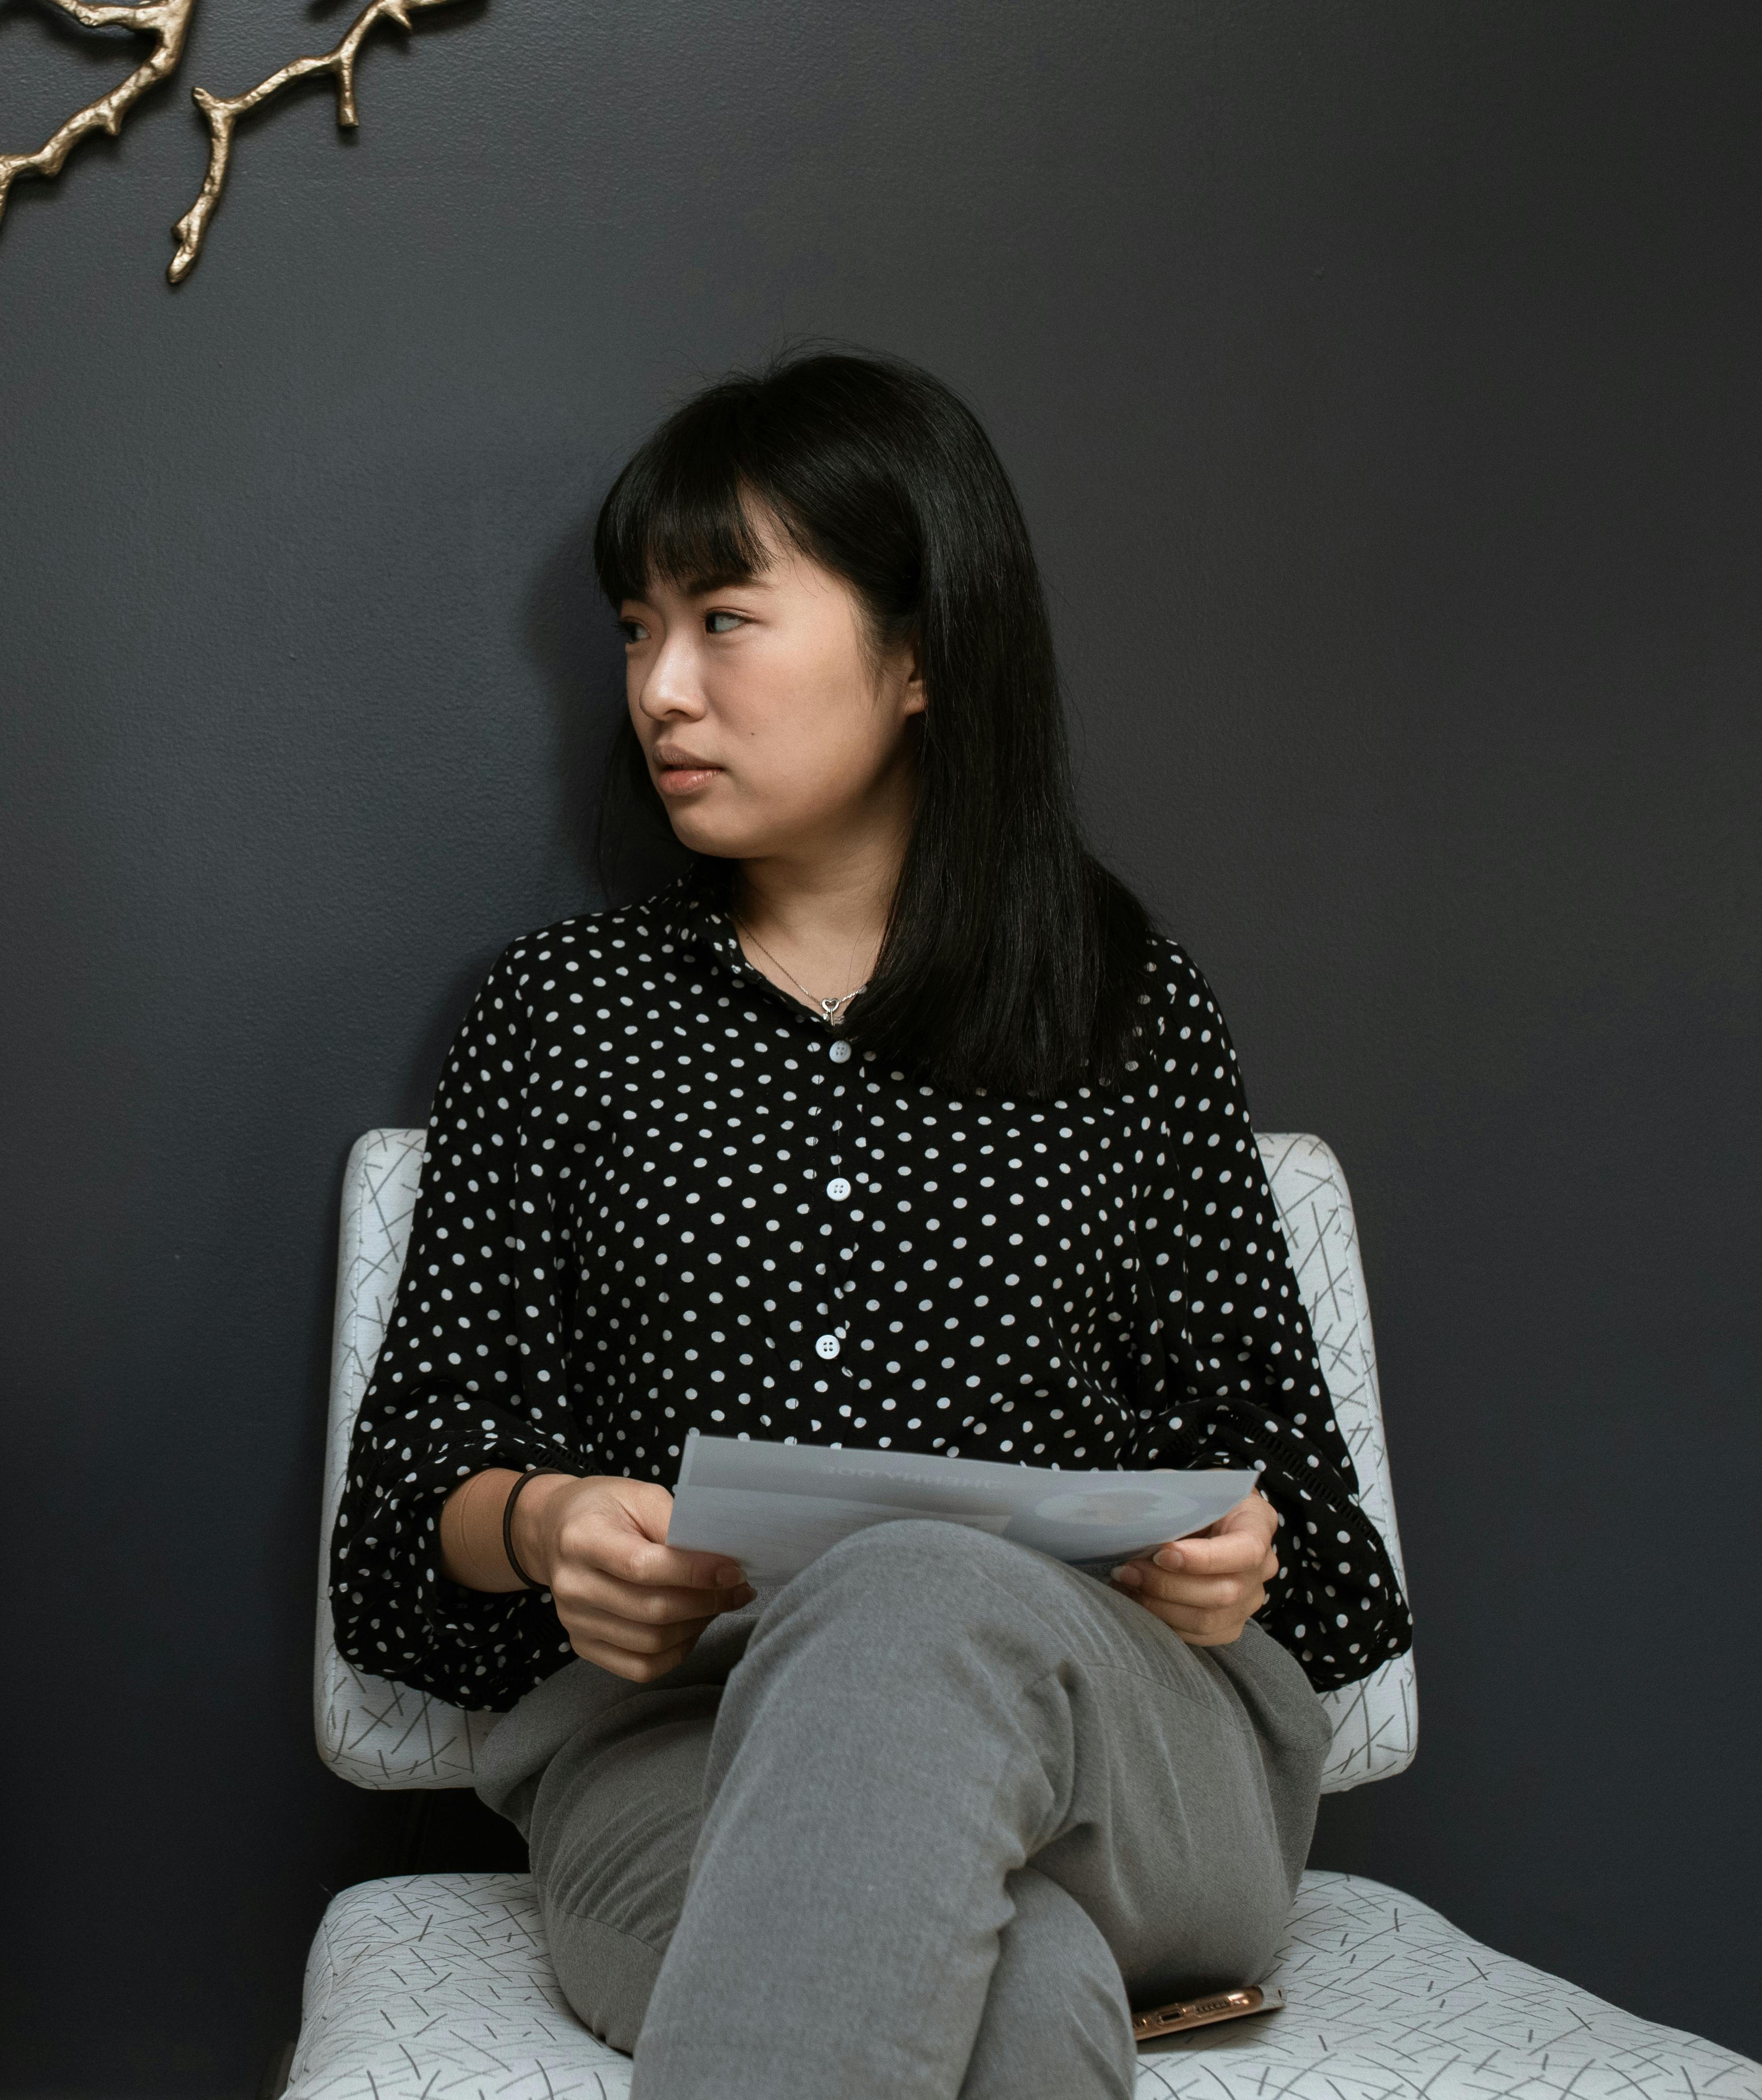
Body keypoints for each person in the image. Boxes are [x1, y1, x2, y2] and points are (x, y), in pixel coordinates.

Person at [331, 351, 1412, 2099]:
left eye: (723, 621)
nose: (658, 690)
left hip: (1131, 1753)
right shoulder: (559, 1015)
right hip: (675, 1750)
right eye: (632, 630)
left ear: (918, 656)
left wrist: (1229, 1550)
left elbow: (1322, 1553)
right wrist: (542, 1529)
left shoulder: (1123, 1004)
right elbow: (396, 1534)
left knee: (917, 1591)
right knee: (1017, 1983)